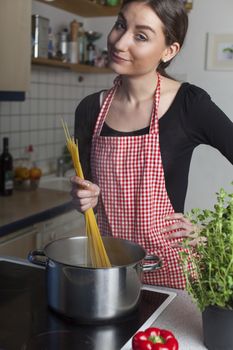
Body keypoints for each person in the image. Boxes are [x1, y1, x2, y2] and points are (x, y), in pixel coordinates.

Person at [71, 0, 233, 289]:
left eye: (141, 36)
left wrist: (210, 231)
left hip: (170, 275)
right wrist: (84, 198)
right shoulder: (89, 110)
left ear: (169, 50)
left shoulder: (189, 105)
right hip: (108, 270)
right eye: (121, 24)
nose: (120, 42)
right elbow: (88, 190)